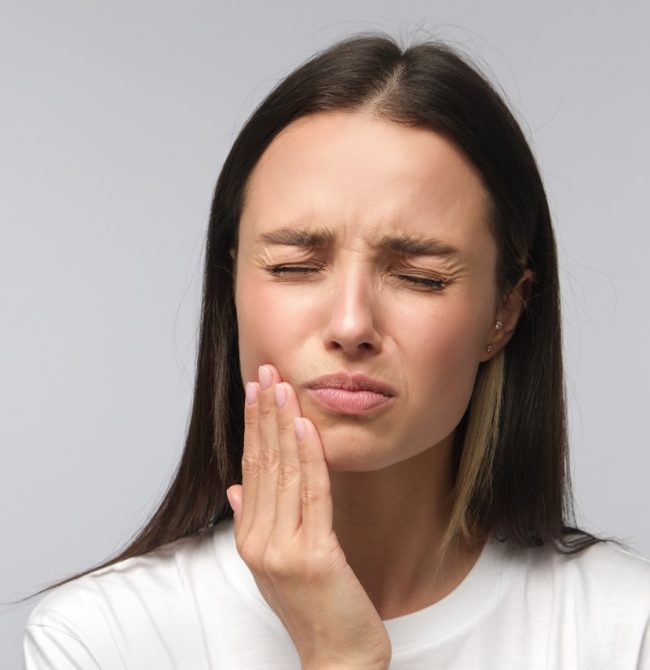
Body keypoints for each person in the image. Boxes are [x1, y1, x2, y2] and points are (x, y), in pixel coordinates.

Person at [23, 34, 650, 669]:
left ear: (505, 312)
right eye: (296, 267)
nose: (352, 324)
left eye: (420, 276)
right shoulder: (101, 640)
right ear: (231, 287)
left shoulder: (626, 629)